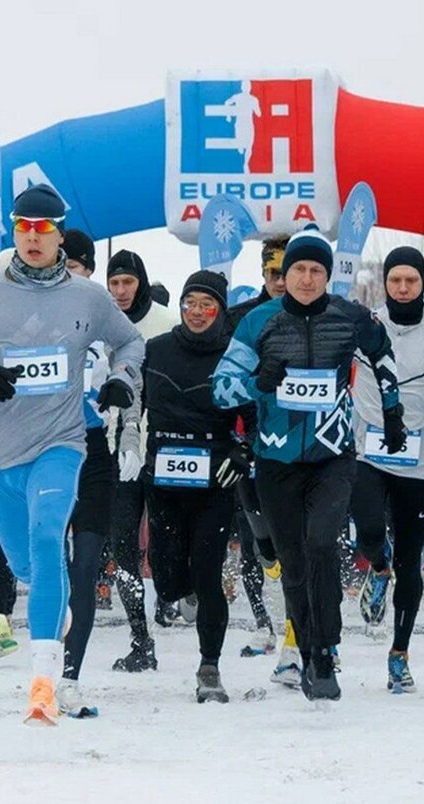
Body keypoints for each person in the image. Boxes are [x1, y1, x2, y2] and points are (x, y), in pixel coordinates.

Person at [0, 183, 144, 725]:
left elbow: (131, 343)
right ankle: (55, 604)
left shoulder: (88, 297)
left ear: (59, 235)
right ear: (13, 230)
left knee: (50, 538)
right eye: (23, 227)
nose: (32, 237)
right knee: (27, 564)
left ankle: (45, 682)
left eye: (43, 229)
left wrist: (121, 379)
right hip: (1, 453)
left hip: (62, 441)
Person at [212, 226, 405, 701]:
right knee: (293, 561)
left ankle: (324, 652)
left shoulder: (350, 316)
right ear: (285, 273)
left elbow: (384, 356)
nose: (306, 278)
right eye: (297, 268)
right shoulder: (259, 321)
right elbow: (221, 388)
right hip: (274, 459)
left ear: (327, 275)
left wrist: (393, 410)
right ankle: (308, 647)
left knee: (321, 544)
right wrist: (260, 381)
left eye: (316, 270)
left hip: (332, 456)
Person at [350, 247, 424, 693]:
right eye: (395, 280)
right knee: (366, 532)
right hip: (367, 451)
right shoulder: (366, 326)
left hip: (416, 461)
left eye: (411, 281)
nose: (402, 288)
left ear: (423, 284)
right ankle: (376, 568)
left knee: (411, 558)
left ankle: (399, 655)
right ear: (385, 283)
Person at [140, 270, 244, 702]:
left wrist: (243, 452)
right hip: (163, 477)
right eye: (190, 304)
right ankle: (176, 591)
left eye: (207, 305)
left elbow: (252, 413)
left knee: (207, 572)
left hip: (214, 478)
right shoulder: (156, 350)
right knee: (166, 581)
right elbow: (131, 403)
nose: (197, 312)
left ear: (219, 310)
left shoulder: (234, 356)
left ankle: (209, 666)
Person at [54, 227, 127, 715]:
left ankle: (69, 676)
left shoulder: (105, 315)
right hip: (43, 451)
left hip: (95, 453)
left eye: (76, 267)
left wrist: (123, 381)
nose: (68, 276)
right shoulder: (28, 315)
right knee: (47, 568)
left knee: (84, 568)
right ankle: (44, 660)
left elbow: (134, 357)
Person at [104, 248, 172, 670]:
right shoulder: (100, 326)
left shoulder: (167, 324)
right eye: (114, 283)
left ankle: (172, 594)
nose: (121, 290)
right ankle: (139, 638)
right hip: (116, 450)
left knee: (165, 542)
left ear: (141, 282)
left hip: (164, 447)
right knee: (122, 542)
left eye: (128, 282)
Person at [226, 234, 289, 666]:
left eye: (290, 273)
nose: (283, 282)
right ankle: (267, 624)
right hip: (250, 439)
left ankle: (303, 629)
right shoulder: (239, 319)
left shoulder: (317, 316)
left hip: (300, 443)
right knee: (257, 540)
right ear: (262, 274)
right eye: (274, 274)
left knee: (297, 538)